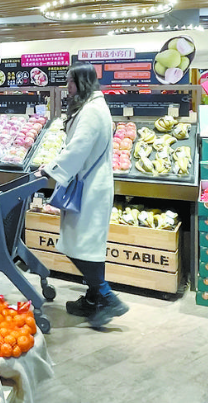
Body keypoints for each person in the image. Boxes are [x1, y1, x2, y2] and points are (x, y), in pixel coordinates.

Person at [38, 62, 128, 328]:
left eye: (70, 81)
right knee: (86, 245)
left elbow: (78, 148)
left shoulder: (92, 111)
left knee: (82, 246)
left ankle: (107, 297)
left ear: (82, 82)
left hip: (89, 188)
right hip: (88, 185)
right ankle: (92, 300)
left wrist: (51, 170)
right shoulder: (94, 106)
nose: (68, 87)